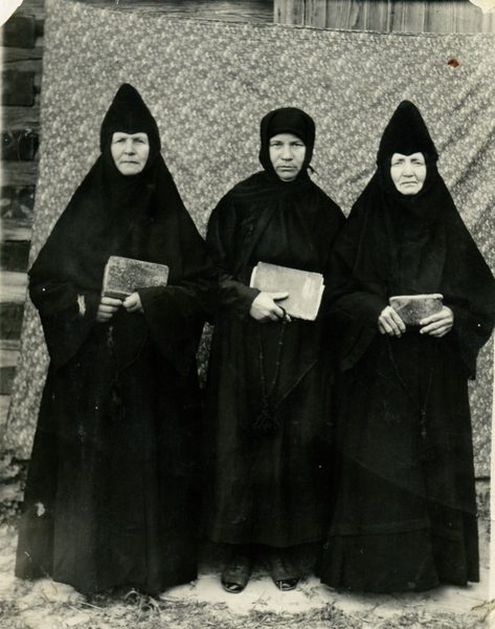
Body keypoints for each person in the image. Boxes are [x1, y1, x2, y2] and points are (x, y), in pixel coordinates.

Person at [15, 84, 216, 596]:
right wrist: (87, 304)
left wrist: (154, 302)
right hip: (91, 370)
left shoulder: (168, 211)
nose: (130, 149)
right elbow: (45, 282)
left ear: (153, 147)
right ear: (107, 146)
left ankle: (150, 569)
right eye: (121, 140)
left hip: (153, 375)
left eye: (139, 140)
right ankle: (86, 566)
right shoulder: (84, 209)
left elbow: (204, 288)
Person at [318, 101, 495, 592]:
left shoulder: (446, 221)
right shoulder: (364, 220)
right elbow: (336, 292)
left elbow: (483, 295)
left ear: (431, 166)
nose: (409, 171)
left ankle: (437, 570)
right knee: (381, 466)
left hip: (436, 373)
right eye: (398, 162)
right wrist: (372, 310)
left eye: (417, 161)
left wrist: (454, 316)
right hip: (377, 370)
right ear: (384, 168)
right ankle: (376, 572)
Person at [205, 107, 345, 593]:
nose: (287, 155)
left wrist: (315, 304)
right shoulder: (238, 203)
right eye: (278, 145)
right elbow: (207, 272)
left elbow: (342, 281)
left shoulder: (325, 212)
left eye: (296, 145)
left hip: (301, 351)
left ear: (310, 150)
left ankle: (282, 548)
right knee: (239, 442)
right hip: (243, 345)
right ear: (264, 148)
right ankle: (238, 550)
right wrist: (249, 299)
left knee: (292, 444)